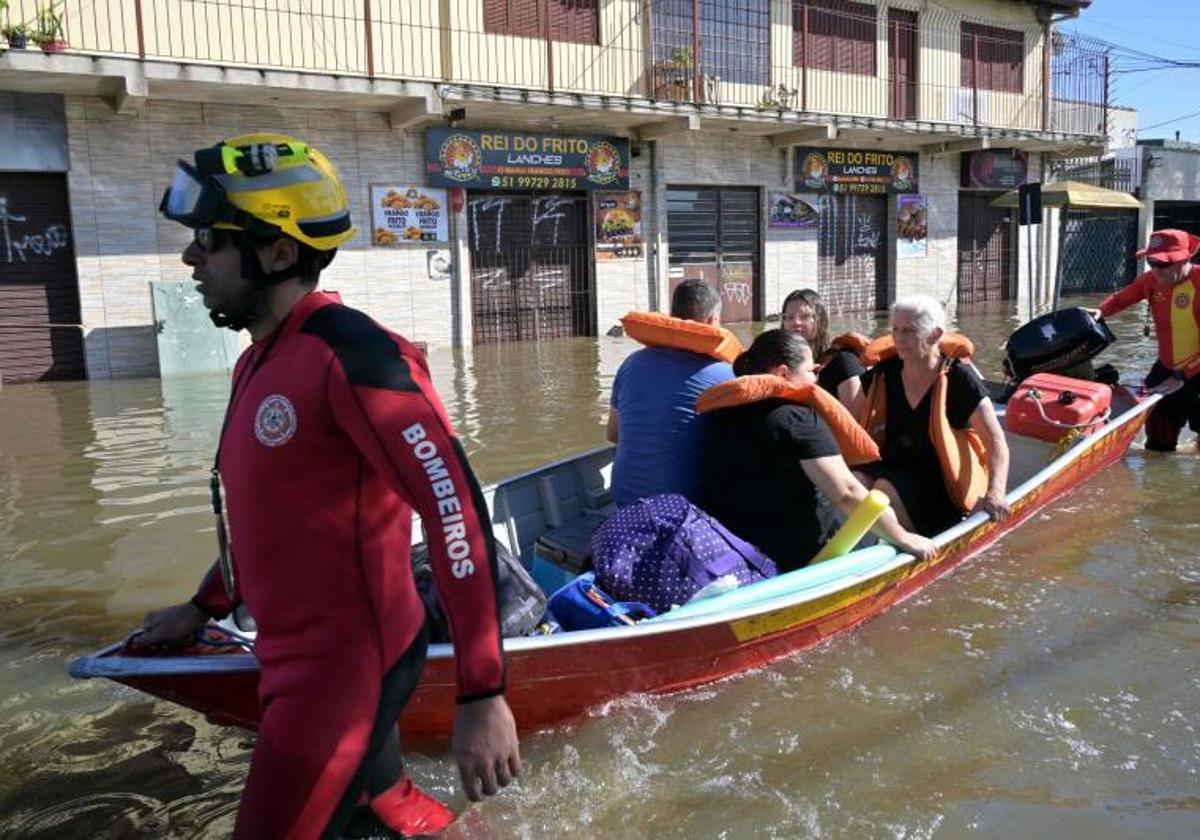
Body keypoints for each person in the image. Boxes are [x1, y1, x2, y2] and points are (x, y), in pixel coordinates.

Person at [134, 134, 520, 839]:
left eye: (210, 241)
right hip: (298, 656)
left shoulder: (355, 355)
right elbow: (278, 520)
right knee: (376, 808)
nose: (191, 257)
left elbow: (455, 511)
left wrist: (483, 691)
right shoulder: (260, 360)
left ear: (279, 253)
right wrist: (203, 605)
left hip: (343, 671)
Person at [698, 329, 935, 572]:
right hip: (801, 555)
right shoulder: (798, 420)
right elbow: (845, 492)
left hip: (737, 549)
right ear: (783, 373)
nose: (816, 381)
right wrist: (904, 537)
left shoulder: (722, 414)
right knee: (887, 515)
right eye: (812, 372)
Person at [850, 296, 1010, 537]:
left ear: (935, 335)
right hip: (894, 464)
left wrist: (995, 493)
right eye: (895, 330)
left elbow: (996, 441)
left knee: (884, 491)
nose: (899, 339)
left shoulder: (960, 379)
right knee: (855, 481)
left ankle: (912, 546)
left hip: (939, 480)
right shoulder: (884, 373)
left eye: (909, 331)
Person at [607, 279, 734, 507]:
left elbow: (613, 434)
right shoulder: (728, 375)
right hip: (685, 512)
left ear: (672, 316)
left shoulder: (631, 363)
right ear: (714, 321)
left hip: (625, 502)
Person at [1087, 229, 1200, 452]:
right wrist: (1101, 311)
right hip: (1169, 367)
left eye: (1163, 264)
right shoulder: (1151, 281)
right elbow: (1121, 299)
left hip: (1195, 370)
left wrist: (1182, 375)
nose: (1156, 270)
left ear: (1183, 261)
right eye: (1151, 262)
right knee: (1157, 437)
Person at [780, 288, 864, 406]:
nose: (796, 322)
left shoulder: (844, 361)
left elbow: (858, 420)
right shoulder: (779, 365)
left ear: (820, 320)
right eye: (789, 317)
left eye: (804, 316)